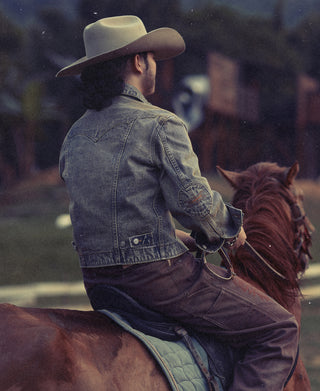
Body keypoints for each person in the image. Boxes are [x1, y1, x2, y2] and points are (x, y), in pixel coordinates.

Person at [57, 15, 298, 390]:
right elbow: (197, 205)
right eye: (151, 57)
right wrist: (230, 231)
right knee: (280, 330)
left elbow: (111, 212)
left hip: (98, 281)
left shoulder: (75, 135)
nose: (154, 64)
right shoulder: (159, 124)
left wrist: (175, 236)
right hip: (156, 279)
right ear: (138, 62)